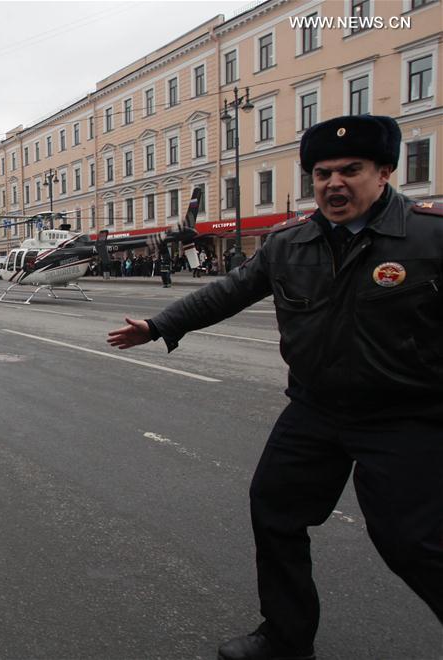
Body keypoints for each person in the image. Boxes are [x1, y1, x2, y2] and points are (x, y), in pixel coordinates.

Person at [107, 115, 442, 660]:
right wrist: (159, 325)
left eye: (350, 170)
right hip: (315, 410)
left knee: (413, 544)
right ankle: (286, 637)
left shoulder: (430, 236)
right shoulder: (291, 242)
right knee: (274, 510)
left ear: (384, 172)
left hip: (405, 417)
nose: (334, 183)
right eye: (322, 173)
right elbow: (228, 292)